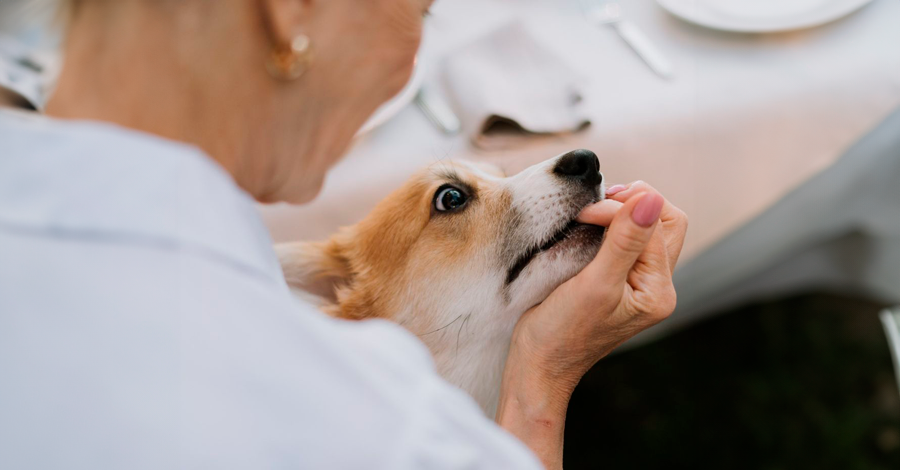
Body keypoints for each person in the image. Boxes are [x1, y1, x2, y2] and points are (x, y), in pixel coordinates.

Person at [0, 0, 688, 469]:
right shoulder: (364, 428)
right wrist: (543, 378)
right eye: (418, 10)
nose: (410, 63)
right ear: (293, 9)